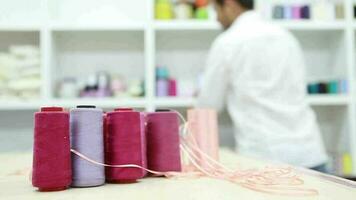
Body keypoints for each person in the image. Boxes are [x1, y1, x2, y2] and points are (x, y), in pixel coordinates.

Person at [196, 0, 328, 172]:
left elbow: (208, 106)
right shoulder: (286, 36)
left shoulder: (227, 42)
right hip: (309, 153)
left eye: (216, 10)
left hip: (265, 159)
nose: (217, 19)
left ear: (229, 4)